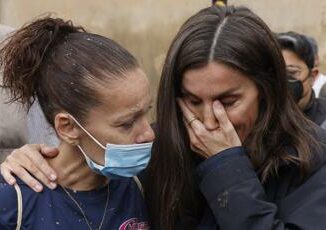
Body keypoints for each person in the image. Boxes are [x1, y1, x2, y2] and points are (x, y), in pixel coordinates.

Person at [2, 5, 326, 230]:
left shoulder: (313, 160)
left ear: (266, 91)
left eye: (228, 101)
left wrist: (229, 168)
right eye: (192, 100)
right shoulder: (159, 153)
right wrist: (29, 164)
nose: (209, 121)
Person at [0, 16, 153, 229]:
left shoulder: (142, 183)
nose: (149, 134)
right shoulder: (14, 201)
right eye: (127, 123)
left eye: (147, 113)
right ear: (68, 127)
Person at [277, 32, 326, 128]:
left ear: (312, 76)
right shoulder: (260, 118)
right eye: (275, 71)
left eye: (291, 72)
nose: (282, 79)